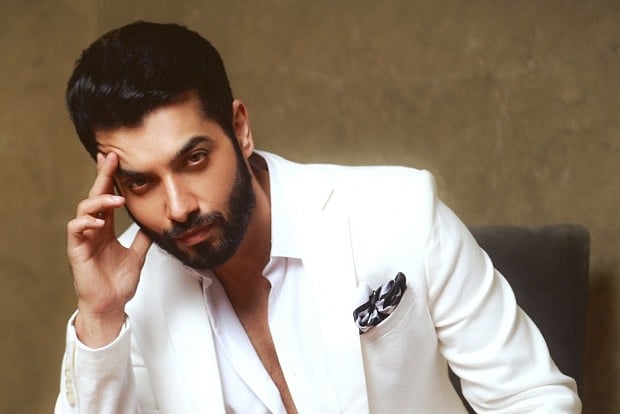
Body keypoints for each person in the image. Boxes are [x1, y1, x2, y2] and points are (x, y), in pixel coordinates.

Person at [55, 21, 581, 413]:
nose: (177, 207)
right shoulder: (130, 294)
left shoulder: (399, 210)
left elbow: (531, 397)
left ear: (239, 129)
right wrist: (101, 317)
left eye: (194, 159)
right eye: (141, 182)